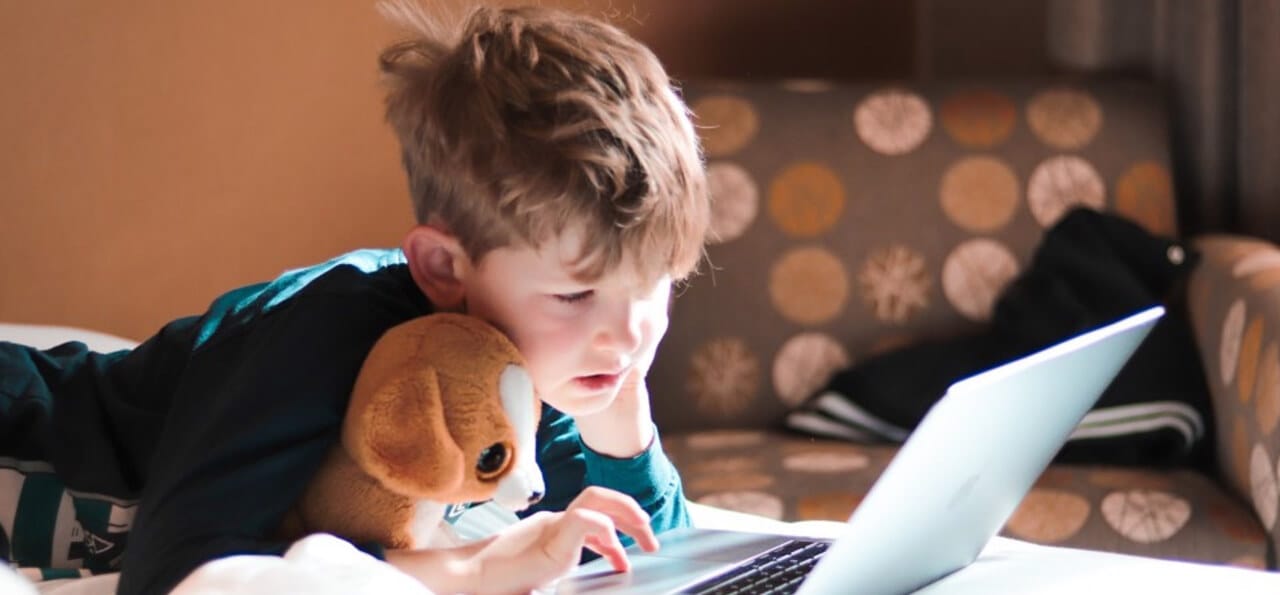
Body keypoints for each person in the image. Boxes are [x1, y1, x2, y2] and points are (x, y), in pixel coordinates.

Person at [0, 2, 710, 593]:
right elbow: (181, 573)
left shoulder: (529, 371)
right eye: (577, 293)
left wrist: (621, 423)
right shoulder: (324, 330)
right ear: (443, 266)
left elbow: (653, 559)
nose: (627, 331)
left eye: (654, 282)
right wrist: (468, 566)